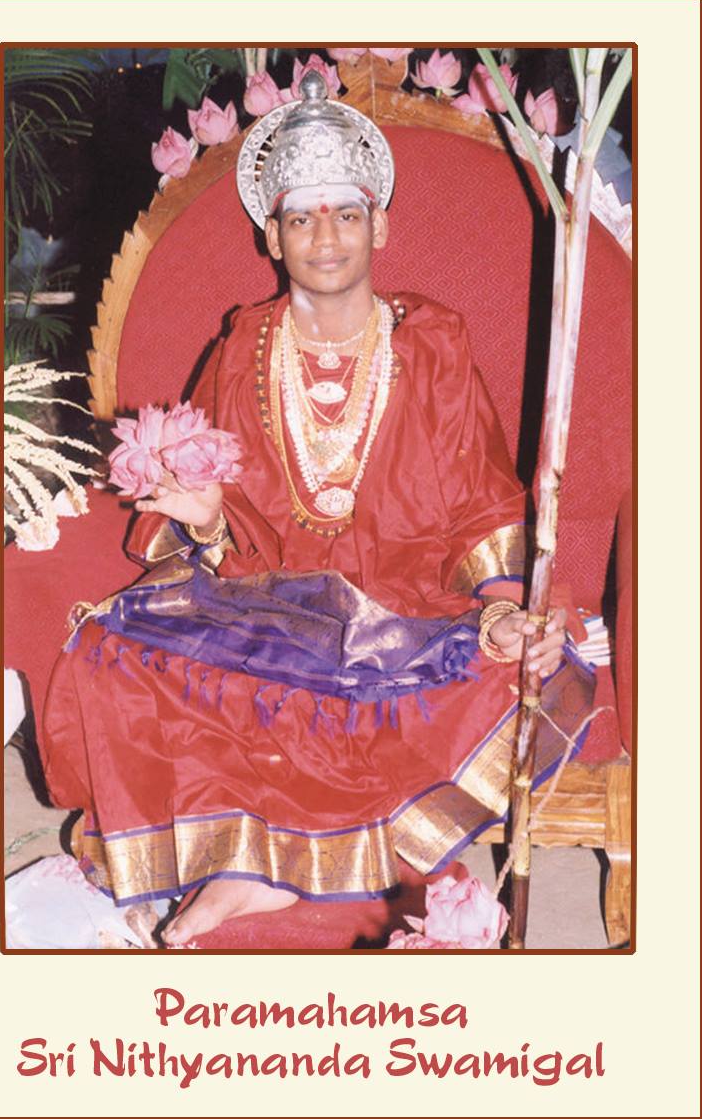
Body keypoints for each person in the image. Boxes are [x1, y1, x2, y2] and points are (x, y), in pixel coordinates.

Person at [41, 73, 594, 947]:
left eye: (345, 214)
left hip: (409, 615)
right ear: (272, 236)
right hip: (271, 609)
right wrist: (205, 518)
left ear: (381, 225)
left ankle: (257, 870)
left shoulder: (434, 343)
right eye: (301, 218)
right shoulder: (241, 348)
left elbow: (484, 502)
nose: (325, 236)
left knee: (505, 667)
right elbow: (218, 526)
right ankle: (250, 865)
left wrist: (497, 611)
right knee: (114, 649)